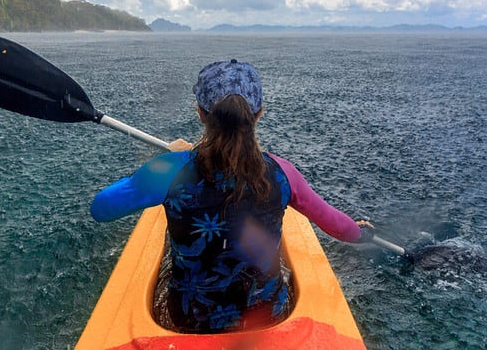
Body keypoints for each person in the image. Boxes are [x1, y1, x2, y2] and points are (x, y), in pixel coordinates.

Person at [90, 59, 374, 333]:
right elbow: (337, 225)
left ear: (200, 113)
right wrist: (360, 233)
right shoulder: (283, 173)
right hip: (266, 314)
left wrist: (169, 160)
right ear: (259, 113)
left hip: (190, 319)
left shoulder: (167, 169)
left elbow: (101, 209)